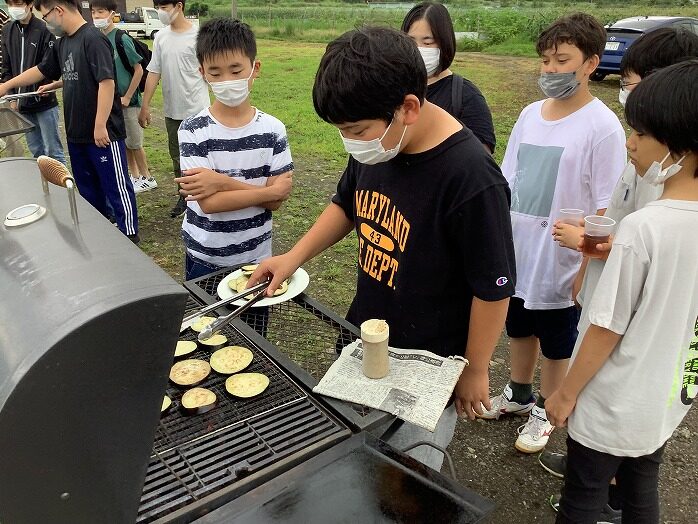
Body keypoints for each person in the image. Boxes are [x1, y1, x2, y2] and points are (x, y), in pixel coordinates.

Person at [247, 26, 516, 471]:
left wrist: (476, 367)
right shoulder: (381, 145)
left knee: (407, 473)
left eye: (354, 130)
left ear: (408, 107)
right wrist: (291, 258)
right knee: (356, 461)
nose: (350, 142)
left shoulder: (471, 178)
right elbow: (346, 205)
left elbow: (493, 287)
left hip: (430, 361)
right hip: (366, 333)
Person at [542, 27, 698, 520]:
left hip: (611, 401)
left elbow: (607, 327)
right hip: (665, 400)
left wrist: (565, 392)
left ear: (680, 146)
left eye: (640, 133)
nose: (629, 144)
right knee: (641, 485)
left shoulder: (644, 230)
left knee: (583, 494)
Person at [478, 13, 626, 456]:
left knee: (558, 339)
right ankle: (519, 396)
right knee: (520, 326)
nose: (551, 70)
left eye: (562, 60)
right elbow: (509, 179)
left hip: (562, 257)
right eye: (545, 61)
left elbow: (606, 207)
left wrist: (584, 261)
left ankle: (547, 409)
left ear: (590, 63)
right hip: (519, 249)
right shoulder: (529, 115)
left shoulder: (603, 127)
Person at [0, 0, 139, 242]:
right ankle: (101, 228)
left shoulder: (93, 39)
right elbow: (43, 69)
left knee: (115, 186)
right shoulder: (63, 42)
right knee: (87, 188)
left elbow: (107, 83)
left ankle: (129, 233)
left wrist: (99, 125)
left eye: (46, 16)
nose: (46, 22)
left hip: (103, 133)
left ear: (59, 11)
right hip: (77, 132)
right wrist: (8, 85)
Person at [173, 17, 293, 281]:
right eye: (215, 73)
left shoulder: (273, 130)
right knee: (205, 322)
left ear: (255, 68)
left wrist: (220, 182)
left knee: (253, 324)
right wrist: (267, 190)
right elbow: (209, 203)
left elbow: (275, 201)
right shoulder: (192, 129)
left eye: (236, 71)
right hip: (205, 256)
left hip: (257, 257)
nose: (227, 80)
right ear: (202, 73)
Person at [138, 0, 209, 218]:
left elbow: (212, 71)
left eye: (164, 7)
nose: (160, 12)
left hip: (197, 109)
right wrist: (145, 105)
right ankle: (185, 197)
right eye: (158, 7)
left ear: (179, 6)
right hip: (172, 111)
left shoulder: (199, 37)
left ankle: (206, 196)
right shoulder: (161, 37)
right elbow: (153, 72)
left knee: (203, 156)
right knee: (178, 157)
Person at [401, 1, 495, 153]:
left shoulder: (466, 96)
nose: (418, 50)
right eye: (411, 42)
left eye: (427, 42)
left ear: (445, 43)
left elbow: (480, 158)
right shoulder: (394, 88)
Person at [90, 0, 156, 194]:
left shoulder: (121, 38)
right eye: (93, 13)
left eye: (100, 12)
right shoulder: (97, 39)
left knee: (135, 143)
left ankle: (147, 176)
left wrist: (128, 96)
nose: (96, 17)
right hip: (113, 102)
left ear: (112, 13)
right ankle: (134, 176)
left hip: (129, 102)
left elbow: (138, 69)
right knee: (124, 141)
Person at [1, 0, 65, 164]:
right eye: (11, 4)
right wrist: (12, 96)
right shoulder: (8, 29)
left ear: (29, 4)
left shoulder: (44, 29)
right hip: (22, 105)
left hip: (44, 101)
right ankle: (44, 185)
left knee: (53, 151)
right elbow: (6, 67)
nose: (15, 8)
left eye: (19, 3)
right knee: (36, 151)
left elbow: (47, 67)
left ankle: (62, 188)